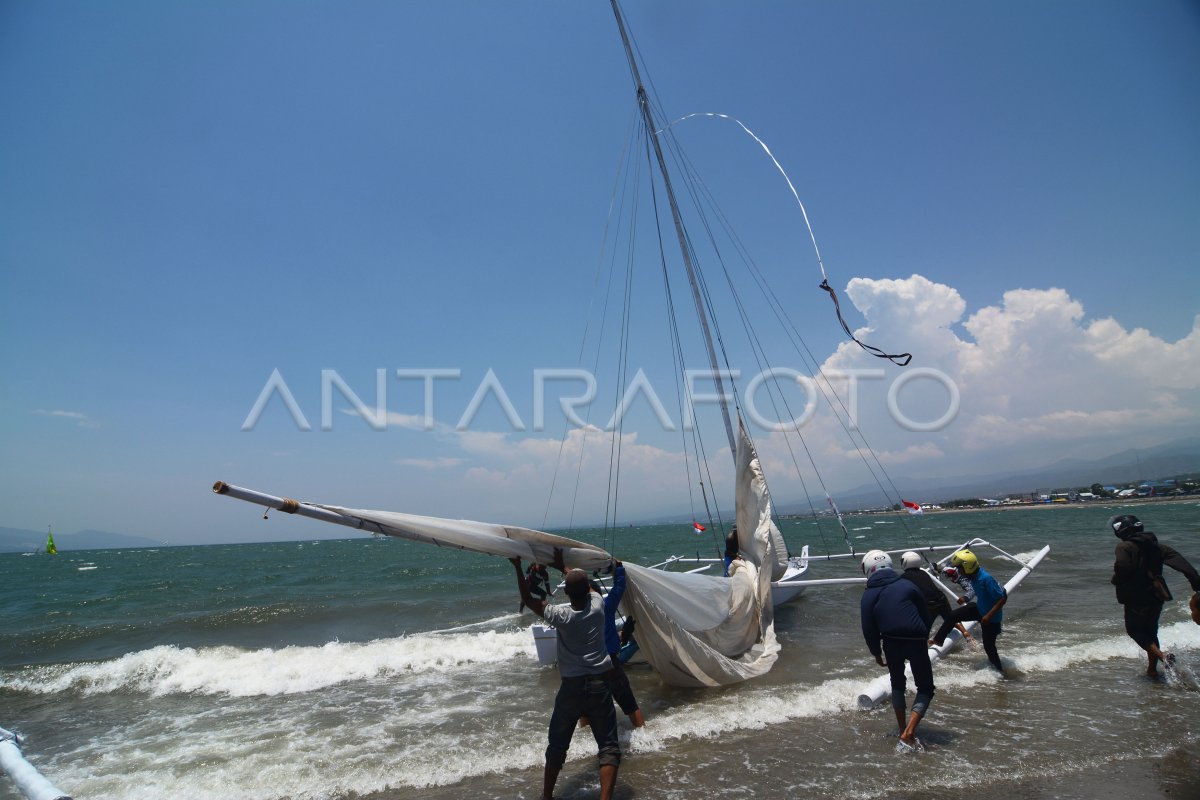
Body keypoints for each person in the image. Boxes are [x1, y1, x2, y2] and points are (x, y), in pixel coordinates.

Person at [512, 553, 620, 800]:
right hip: (600, 685)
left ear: (567, 595)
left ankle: (547, 796)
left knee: (557, 746)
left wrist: (518, 568)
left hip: (571, 689)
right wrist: (563, 566)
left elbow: (529, 600)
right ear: (588, 590)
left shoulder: (562, 616)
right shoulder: (598, 606)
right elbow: (587, 585)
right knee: (608, 748)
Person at [859, 549, 935, 751]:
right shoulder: (908, 585)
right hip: (917, 639)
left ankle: (905, 729)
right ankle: (908, 732)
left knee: (898, 685)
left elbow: (869, 628)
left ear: (868, 570)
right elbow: (925, 614)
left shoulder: (869, 594)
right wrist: (924, 636)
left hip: (891, 642)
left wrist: (876, 652)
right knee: (926, 688)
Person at [1109, 514, 1200, 677]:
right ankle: (1152, 670)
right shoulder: (1158, 547)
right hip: (1158, 595)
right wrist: (1197, 586)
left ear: (1121, 531)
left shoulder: (1125, 547)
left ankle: (1163, 657)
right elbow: (1185, 567)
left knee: (1134, 630)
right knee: (1150, 632)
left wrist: (1116, 580)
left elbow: (1123, 567)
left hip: (1136, 597)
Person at [581, 560, 645, 729]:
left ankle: (584, 743)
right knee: (629, 704)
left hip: (591, 667)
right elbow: (618, 587)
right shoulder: (605, 607)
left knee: (586, 709)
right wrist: (619, 568)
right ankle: (645, 736)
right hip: (609, 664)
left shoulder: (578, 615)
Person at [931, 548, 1007, 673]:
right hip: (979, 609)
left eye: (960, 568)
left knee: (989, 648)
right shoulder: (974, 576)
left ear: (968, 567)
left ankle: (1000, 672)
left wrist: (988, 616)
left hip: (991, 619)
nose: (959, 571)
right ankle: (938, 641)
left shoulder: (986, 579)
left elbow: (1002, 598)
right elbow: (969, 587)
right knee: (952, 616)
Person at [899, 551, 972, 642]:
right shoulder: (924, 573)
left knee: (925, 628)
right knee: (951, 618)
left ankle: (924, 646)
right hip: (941, 598)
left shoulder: (903, 577)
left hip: (929, 604)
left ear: (905, 563)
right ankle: (965, 633)